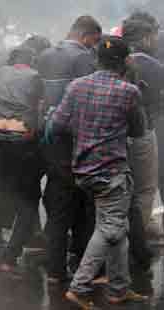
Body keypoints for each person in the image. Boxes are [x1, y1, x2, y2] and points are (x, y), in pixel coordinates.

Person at [49, 36, 148, 309]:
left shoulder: (76, 86)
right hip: (111, 172)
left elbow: (57, 125)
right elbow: (139, 132)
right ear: (124, 62)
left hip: (82, 169)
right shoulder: (129, 92)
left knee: (117, 228)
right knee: (110, 228)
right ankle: (79, 287)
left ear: (98, 60)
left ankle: (118, 288)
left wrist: (85, 130)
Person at [36, 15, 102, 284]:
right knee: (83, 205)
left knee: (57, 202)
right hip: (76, 140)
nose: (92, 47)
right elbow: (87, 100)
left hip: (51, 138)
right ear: (86, 36)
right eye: (93, 42)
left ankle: (54, 269)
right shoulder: (84, 58)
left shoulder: (45, 54)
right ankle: (80, 264)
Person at [0, 46, 44, 275]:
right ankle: (9, 258)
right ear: (31, 61)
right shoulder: (36, 76)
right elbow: (40, 110)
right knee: (27, 200)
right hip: (21, 139)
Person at [122, 15, 162, 271]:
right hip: (142, 132)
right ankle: (140, 237)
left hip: (110, 134)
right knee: (145, 188)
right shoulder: (155, 66)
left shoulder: (110, 59)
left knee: (118, 189)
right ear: (146, 38)